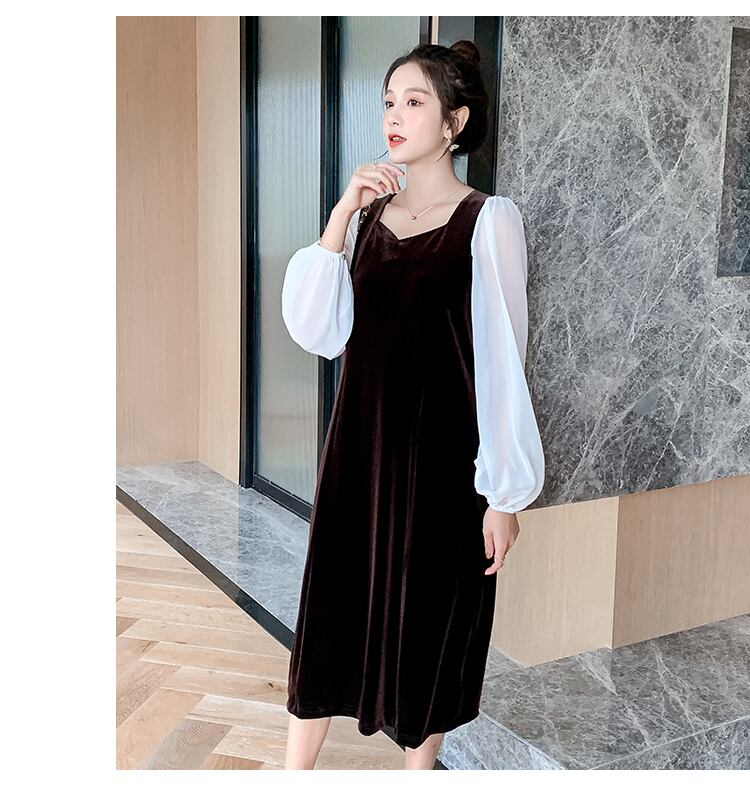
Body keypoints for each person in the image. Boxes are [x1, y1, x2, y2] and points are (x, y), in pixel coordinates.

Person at [280, 40, 545, 770]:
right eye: (389, 102)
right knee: (330, 618)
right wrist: (342, 212)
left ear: (455, 122)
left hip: (441, 466)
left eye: (414, 101)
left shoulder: (487, 221)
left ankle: (416, 774)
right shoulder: (367, 219)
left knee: (428, 627)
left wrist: (503, 494)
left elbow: (503, 361)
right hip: (358, 456)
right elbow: (318, 330)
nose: (394, 116)